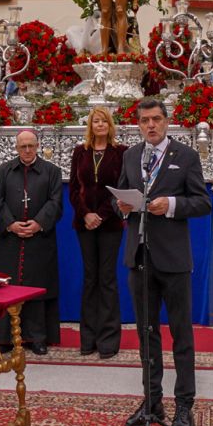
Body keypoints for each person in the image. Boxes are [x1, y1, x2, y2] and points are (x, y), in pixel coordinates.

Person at [117, 97, 212, 426]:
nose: (151, 125)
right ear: (139, 124)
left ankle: (184, 404)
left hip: (172, 259)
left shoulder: (184, 157)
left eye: (156, 119)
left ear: (166, 121)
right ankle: (152, 401)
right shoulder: (131, 156)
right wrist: (123, 207)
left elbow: (202, 202)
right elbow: (120, 199)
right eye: (144, 120)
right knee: (146, 332)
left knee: (181, 335)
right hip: (139, 257)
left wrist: (170, 204)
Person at [0, 128, 63, 353]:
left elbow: (56, 202)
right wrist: (10, 224)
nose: (28, 150)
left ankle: (36, 338)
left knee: (36, 287)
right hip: (8, 240)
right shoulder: (4, 170)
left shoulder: (52, 171)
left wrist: (38, 223)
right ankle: (5, 338)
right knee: (8, 288)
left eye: (31, 145)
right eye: (23, 146)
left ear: (38, 146)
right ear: (16, 148)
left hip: (39, 238)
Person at [68, 106, 125, 357]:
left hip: (110, 223)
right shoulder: (81, 152)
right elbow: (73, 189)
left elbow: (121, 188)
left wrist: (101, 214)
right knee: (90, 278)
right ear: (90, 126)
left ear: (109, 126)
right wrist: (86, 214)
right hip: (84, 224)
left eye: (103, 121)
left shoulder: (121, 153)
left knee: (108, 279)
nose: (99, 125)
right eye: (95, 121)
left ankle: (109, 341)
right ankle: (88, 339)